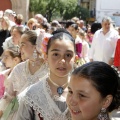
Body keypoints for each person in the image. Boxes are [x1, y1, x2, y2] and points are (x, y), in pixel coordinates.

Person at [16, 28, 76, 120]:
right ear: (46, 57)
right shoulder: (31, 95)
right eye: (56, 54)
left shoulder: (84, 92)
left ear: (74, 58)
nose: (62, 61)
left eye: (68, 55)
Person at [0, 30, 48, 120]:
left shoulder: (49, 70)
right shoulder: (19, 69)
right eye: (19, 45)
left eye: (22, 44)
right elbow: (8, 97)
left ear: (35, 46)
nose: (19, 48)